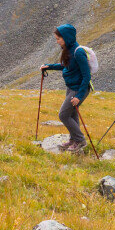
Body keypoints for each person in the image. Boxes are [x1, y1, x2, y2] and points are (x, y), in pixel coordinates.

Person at [40, 24, 91, 152]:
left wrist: (79, 96)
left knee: (63, 115)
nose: (57, 42)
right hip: (71, 87)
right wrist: (49, 66)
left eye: (58, 39)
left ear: (66, 38)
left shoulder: (78, 52)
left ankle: (80, 140)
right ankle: (73, 139)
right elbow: (65, 65)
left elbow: (87, 76)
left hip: (78, 89)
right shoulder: (69, 49)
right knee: (72, 114)